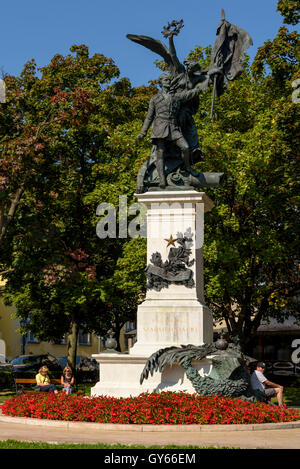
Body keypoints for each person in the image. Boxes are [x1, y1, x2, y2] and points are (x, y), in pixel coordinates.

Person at [137, 74, 210, 188]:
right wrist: (143, 132)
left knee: (185, 147)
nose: (168, 81)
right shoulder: (155, 99)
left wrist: (204, 85)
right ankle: (162, 179)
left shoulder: (176, 97)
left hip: (173, 127)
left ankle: (187, 167)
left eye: (169, 80)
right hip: (160, 127)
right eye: (166, 80)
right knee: (160, 154)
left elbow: (190, 93)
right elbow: (149, 117)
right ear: (160, 83)